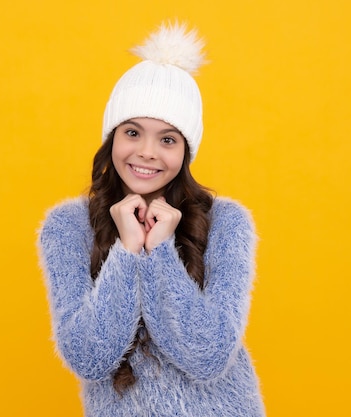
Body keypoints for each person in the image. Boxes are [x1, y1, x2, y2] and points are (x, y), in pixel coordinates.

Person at [38, 22, 266, 417]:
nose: (147, 152)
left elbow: (208, 357)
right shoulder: (68, 226)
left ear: (185, 151)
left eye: (167, 139)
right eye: (132, 132)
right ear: (112, 139)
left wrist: (160, 250)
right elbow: (90, 358)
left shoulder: (227, 223)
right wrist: (126, 251)